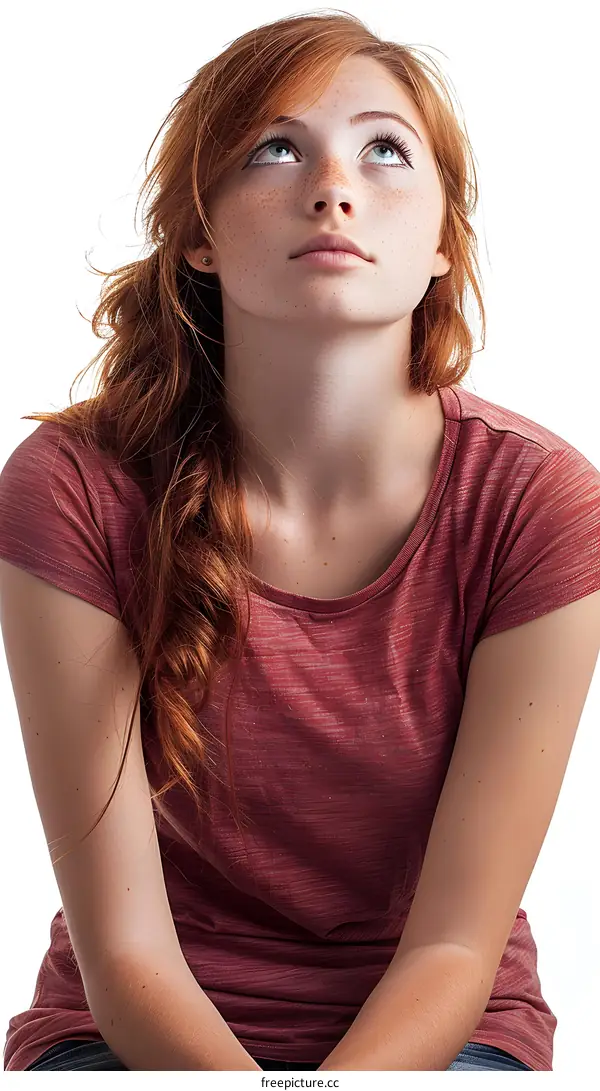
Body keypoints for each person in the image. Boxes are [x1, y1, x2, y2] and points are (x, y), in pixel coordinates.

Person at [1, 8, 599, 1074]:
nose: (334, 188)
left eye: (385, 150)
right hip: (134, 1033)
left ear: (443, 241)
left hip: (439, 1034)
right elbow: (126, 951)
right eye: (276, 149)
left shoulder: (540, 503)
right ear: (198, 231)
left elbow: (455, 946)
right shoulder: (75, 488)